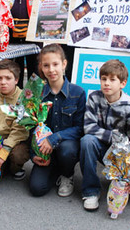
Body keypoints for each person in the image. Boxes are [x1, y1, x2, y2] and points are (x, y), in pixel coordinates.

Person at [29, 43, 86, 197]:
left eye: (55, 64)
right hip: (44, 150)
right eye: (46, 65)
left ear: (64, 64)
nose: (51, 70)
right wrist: (33, 154)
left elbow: (80, 128)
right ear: (41, 67)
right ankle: (54, 169)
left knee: (67, 150)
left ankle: (67, 174)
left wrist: (54, 138)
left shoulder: (77, 92)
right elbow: (29, 127)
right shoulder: (36, 92)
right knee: (37, 188)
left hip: (65, 145)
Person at [80, 59, 130, 211]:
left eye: (112, 80)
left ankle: (119, 184)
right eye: (103, 79)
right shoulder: (94, 98)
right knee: (87, 141)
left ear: (123, 84)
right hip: (100, 146)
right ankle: (90, 191)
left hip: (120, 153)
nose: (107, 83)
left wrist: (120, 144)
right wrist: (114, 137)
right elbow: (89, 127)